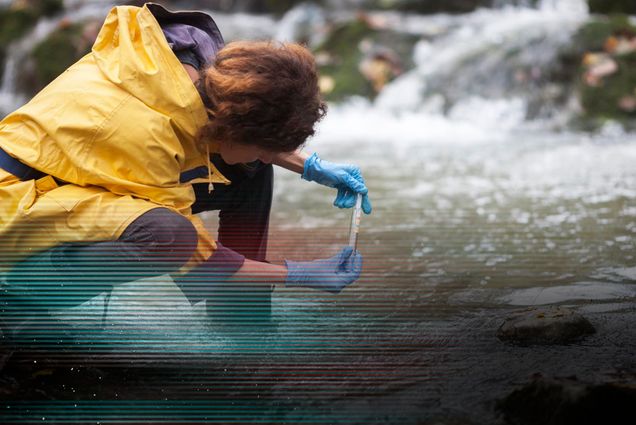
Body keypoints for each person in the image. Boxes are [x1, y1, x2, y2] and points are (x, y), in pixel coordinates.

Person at [0, 3, 371, 346]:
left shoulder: (204, 70)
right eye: (260, 143)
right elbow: (192, 254)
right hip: (17, 200)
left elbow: (241, 140)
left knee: (251, 169)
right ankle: (18, 297)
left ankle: (240, 318)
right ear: (234, 127)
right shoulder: (146, 134)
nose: (267, 153)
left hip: (69, 173)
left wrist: (311, 166)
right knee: (166, 237)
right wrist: (298, 274)